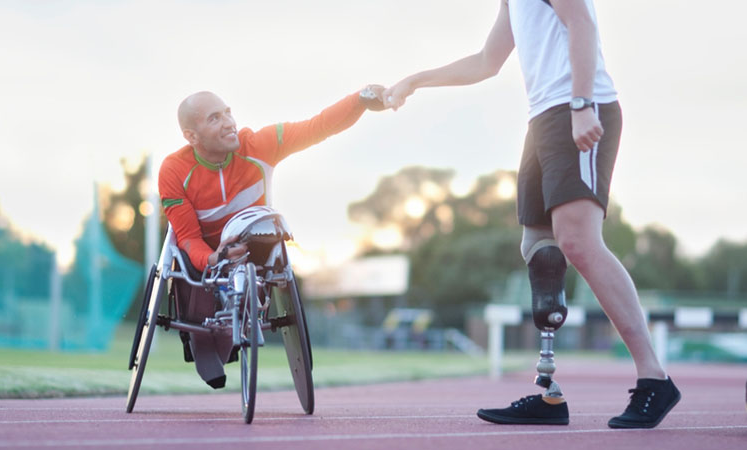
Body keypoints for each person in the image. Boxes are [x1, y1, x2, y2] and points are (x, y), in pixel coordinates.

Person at [383, 0, 680, 429]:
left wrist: (581, 104)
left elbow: (580, 20)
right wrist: (417, 80)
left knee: (577, 240)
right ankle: (549, 393)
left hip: (578, 107)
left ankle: (655, 378)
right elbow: (487, 61)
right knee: (540, 248)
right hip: (542, 118)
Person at [158, 85, 387, 388]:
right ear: (192, 136)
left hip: (253, 243)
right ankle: (201, 341)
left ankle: (237, 322)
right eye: (215, 118)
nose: (229, 122)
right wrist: (214, 258)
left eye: (228, 112)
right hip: (205, 251)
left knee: (266, 244)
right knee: (191, 262)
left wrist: (359, 101)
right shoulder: (173, 170)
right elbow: (187, 238)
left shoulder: (260, 144)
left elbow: (318, 126)